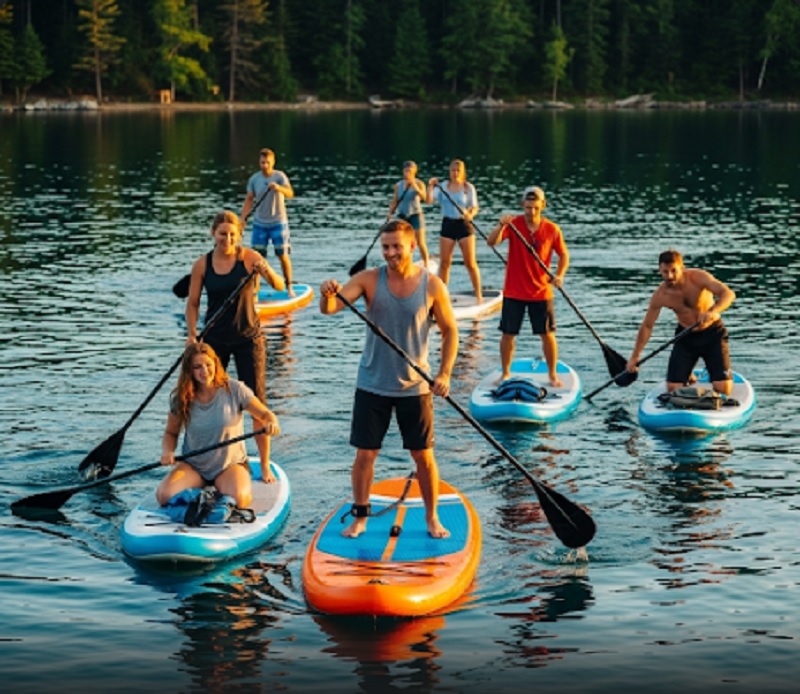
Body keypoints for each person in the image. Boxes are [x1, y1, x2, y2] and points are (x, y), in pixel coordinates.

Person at [319, 219, 459, 539]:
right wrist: (327, 294)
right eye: (385, 247)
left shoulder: (433, 285)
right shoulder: (369, 279)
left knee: (423, 456)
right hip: (372, 383)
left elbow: (451, 332)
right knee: (366, 455)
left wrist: (445, 373)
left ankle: (432, 518)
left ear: (412, 246)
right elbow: (330, 309)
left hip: (415, 385)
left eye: (397, 246)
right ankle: (360, 517)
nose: (390, 252)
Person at [185, 210, 285, 472]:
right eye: (222, 234)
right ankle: (211, 459)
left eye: (232, 234)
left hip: (247, 339)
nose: (227, 239)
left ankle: (263, 465)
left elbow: (278, 285)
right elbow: (193, 303)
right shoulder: (202, 265)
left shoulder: (250, 257)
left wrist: (266, 271)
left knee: (256, 403)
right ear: (213, 234)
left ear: (239, 235)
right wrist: (192, 334)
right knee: (207, 398)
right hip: (213, 342)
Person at [157, 342, 281, 508]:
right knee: (164, 496)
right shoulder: (182, 398)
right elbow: (171, 433)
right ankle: (204, 494)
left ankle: (213, 494)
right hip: (194, 466)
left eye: (208, 364)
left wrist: (272, 422)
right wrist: (168, 451)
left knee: (240, 499)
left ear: (216, 363)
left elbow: (265, 414)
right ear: (189, 371)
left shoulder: (235, 389)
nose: (205, 371)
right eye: (197, 367)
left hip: (229, 465)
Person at [487, 186, 569, 387]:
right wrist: (500, 225)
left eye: (535, 207)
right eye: (528, 207)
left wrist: (559, 275)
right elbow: (491, 242)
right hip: (514, 290)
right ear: (522, 205)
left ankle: (552, 375)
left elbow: (564, 255)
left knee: (547, 335)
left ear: (542, 205)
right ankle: (505, 373)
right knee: (508, 334)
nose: (531, 212)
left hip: (541, 292)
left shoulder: (552, 229)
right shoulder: (513, 224)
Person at [626, 249, 736, 395]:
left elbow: (728, 294)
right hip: (686, 337)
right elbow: (647, 326)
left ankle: (712, 373)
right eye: (665, 272)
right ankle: (687, 373)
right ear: (660, 271)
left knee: (722, 390)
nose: (669, 276)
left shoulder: (698, 278)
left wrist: (713, 311)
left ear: (682, 268)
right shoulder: (661, 295)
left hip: (713, 334)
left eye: (674, 271)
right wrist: (635, 356)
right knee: (673, 390)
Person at [426, 159, 482, 303]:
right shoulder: (443, 186)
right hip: (448, 224)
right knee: (445, 264)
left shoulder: (468, 188)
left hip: (464, 225)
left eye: (458, 171)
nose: (455, 173)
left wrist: (470, 214)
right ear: (449, 172)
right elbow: (429, 200)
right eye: (452, 170)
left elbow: (474, 207)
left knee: (470, 263)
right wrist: (430, 186)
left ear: (462, 173)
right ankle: (441, 296)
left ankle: (479, 295)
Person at [241, 148, 296, 296]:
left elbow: (290, 193)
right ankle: (255, 290)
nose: (265, 165)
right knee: (257, 259)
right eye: (262, 162)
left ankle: (289, 286)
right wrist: (242, 219)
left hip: (278, 222)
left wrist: (278, 188)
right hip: (260, 224)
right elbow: (249, 199)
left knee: (283, 255)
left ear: (273, 162)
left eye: (267, 162)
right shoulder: (254, 179)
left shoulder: (280, 177)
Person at [387, 160, 429, 268]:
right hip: (402, 215)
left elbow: (426, 198)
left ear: (414, 172)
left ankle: (426, 264)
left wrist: (416, 188)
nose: (407, 173)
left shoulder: (419, 183)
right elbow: (395, 200)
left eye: (410, 171)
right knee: (402, 242)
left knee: (420, 242)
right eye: (406, 171)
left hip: (415, 214)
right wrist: (390, 213)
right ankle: (404, 263)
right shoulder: (398, 185)